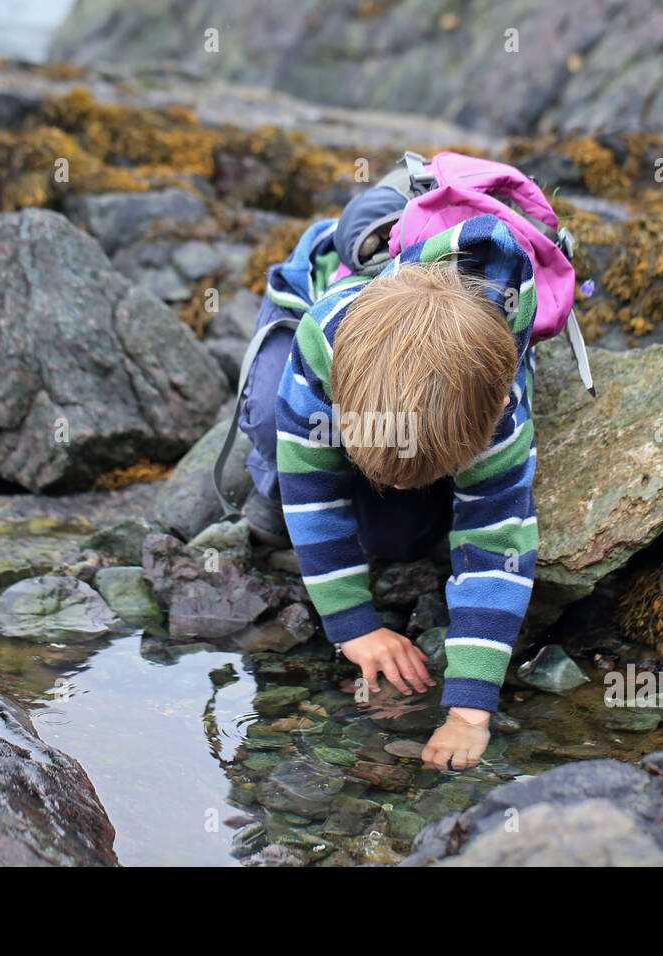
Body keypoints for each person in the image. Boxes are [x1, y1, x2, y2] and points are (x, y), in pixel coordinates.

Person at [236, 190, 539, 771]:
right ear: (338, 397)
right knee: (277, 425)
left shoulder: (502, 407)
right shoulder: (323, 340)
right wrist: (352, 624)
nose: (399, 487)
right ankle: (326, 250)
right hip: (331, 288)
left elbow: (499, 542)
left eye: (419, 474)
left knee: (395, 540)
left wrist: (470, 711)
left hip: (453, 352)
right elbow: (313, 486)